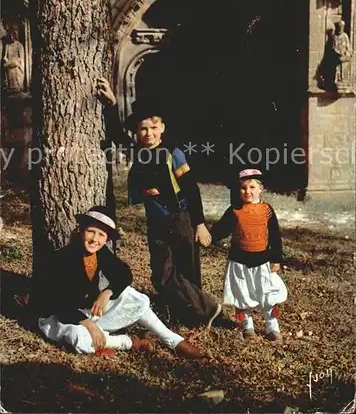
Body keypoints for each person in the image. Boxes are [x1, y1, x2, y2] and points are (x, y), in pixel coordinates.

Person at [96, 78, 222, 328]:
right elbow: (119, 136)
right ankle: (209, 307)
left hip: (181, 218)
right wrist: (110, 105)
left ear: (163, 127)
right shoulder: (139, 151)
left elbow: (191, 189)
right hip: (157, 222)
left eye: (154, 128)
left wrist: (199, 224)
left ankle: (190, 318)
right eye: (143, 129)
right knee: (162, 275)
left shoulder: (173, 154)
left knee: (187, 271)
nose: (148, 133)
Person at [36, 206, 205, 358]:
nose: (95, 239)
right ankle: (128, 342)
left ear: (106, 239)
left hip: (86, 309)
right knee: (80, 338)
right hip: (59, 317)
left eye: (101, 235)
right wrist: (90, 326)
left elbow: (124, 274)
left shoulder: (100, 253)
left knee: (133, 297)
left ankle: (173, 341)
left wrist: (107, 292)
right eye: (91, 231)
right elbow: (58, 302)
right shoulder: (63, 258)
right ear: (81, 231)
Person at [211, 169, 287, 341]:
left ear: (261, 188)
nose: (248, 192)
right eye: (243, 188)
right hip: (239, 261)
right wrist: (207, 237)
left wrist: (276, 258)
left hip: (263, 261)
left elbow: (275, 235)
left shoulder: (267, 210)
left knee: (268, 294)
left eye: (252, 187)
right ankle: (248, 326)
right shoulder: (235, 210)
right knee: (242, 294)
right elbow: (221, 230)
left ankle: (272, 327)